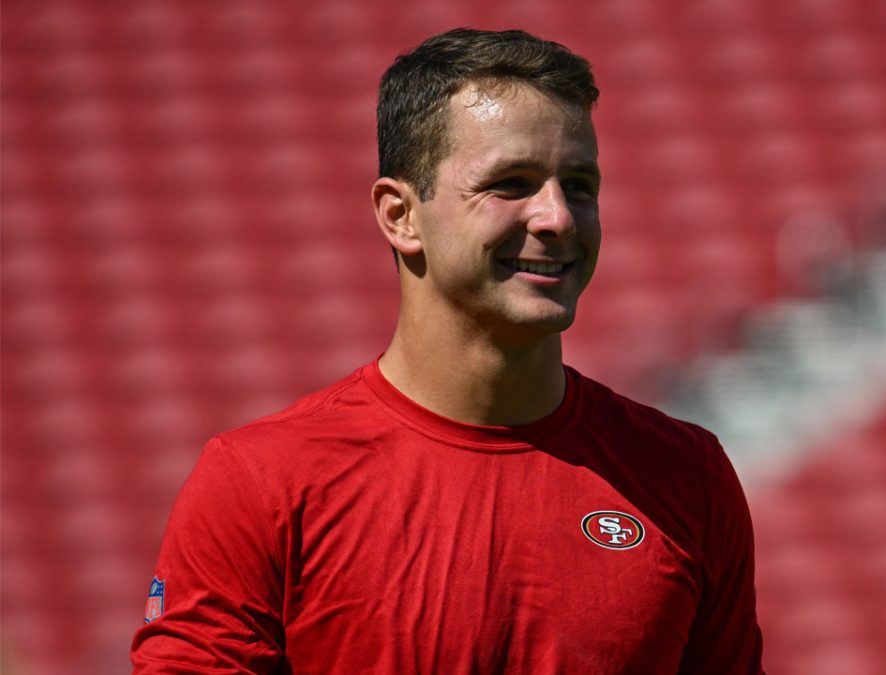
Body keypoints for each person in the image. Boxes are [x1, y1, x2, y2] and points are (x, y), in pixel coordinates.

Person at [131, 28, 764, 674]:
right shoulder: (260, 483)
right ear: (401, 214)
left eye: (578, 185)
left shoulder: (688, 477)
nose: (558, 218)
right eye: (511, 183)